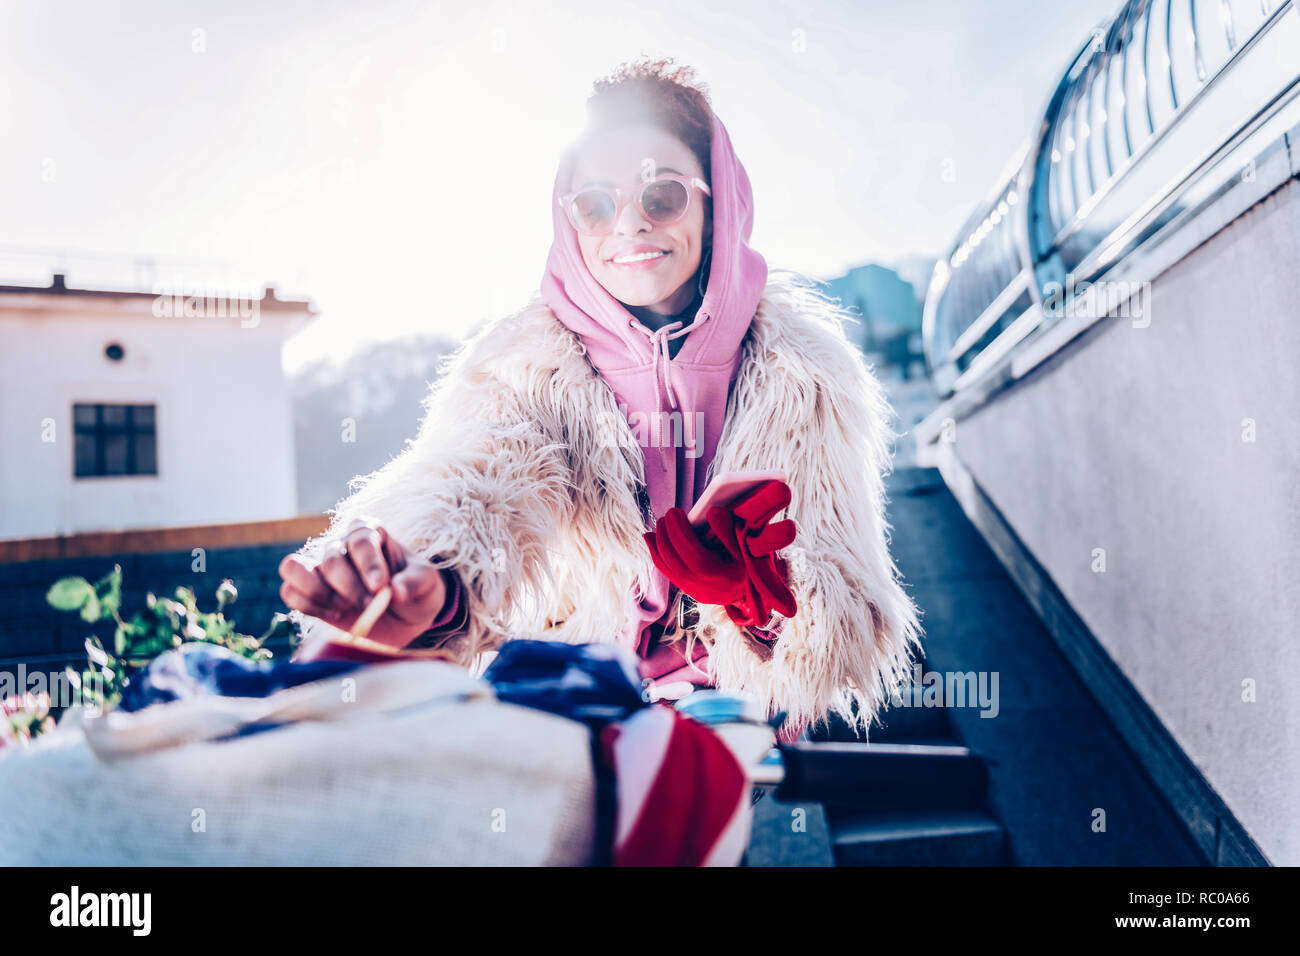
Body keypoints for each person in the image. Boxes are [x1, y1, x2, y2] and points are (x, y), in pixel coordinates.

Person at [278, 57, 921, 742]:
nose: (628, 225)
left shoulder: (810, 374)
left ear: (717, 199)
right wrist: (431, 586)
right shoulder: (519, 366)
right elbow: (475, 488)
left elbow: (841, 613)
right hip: (567, 708)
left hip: (726, 722)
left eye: (662, 196)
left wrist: (754, 600)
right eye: (594, 204)